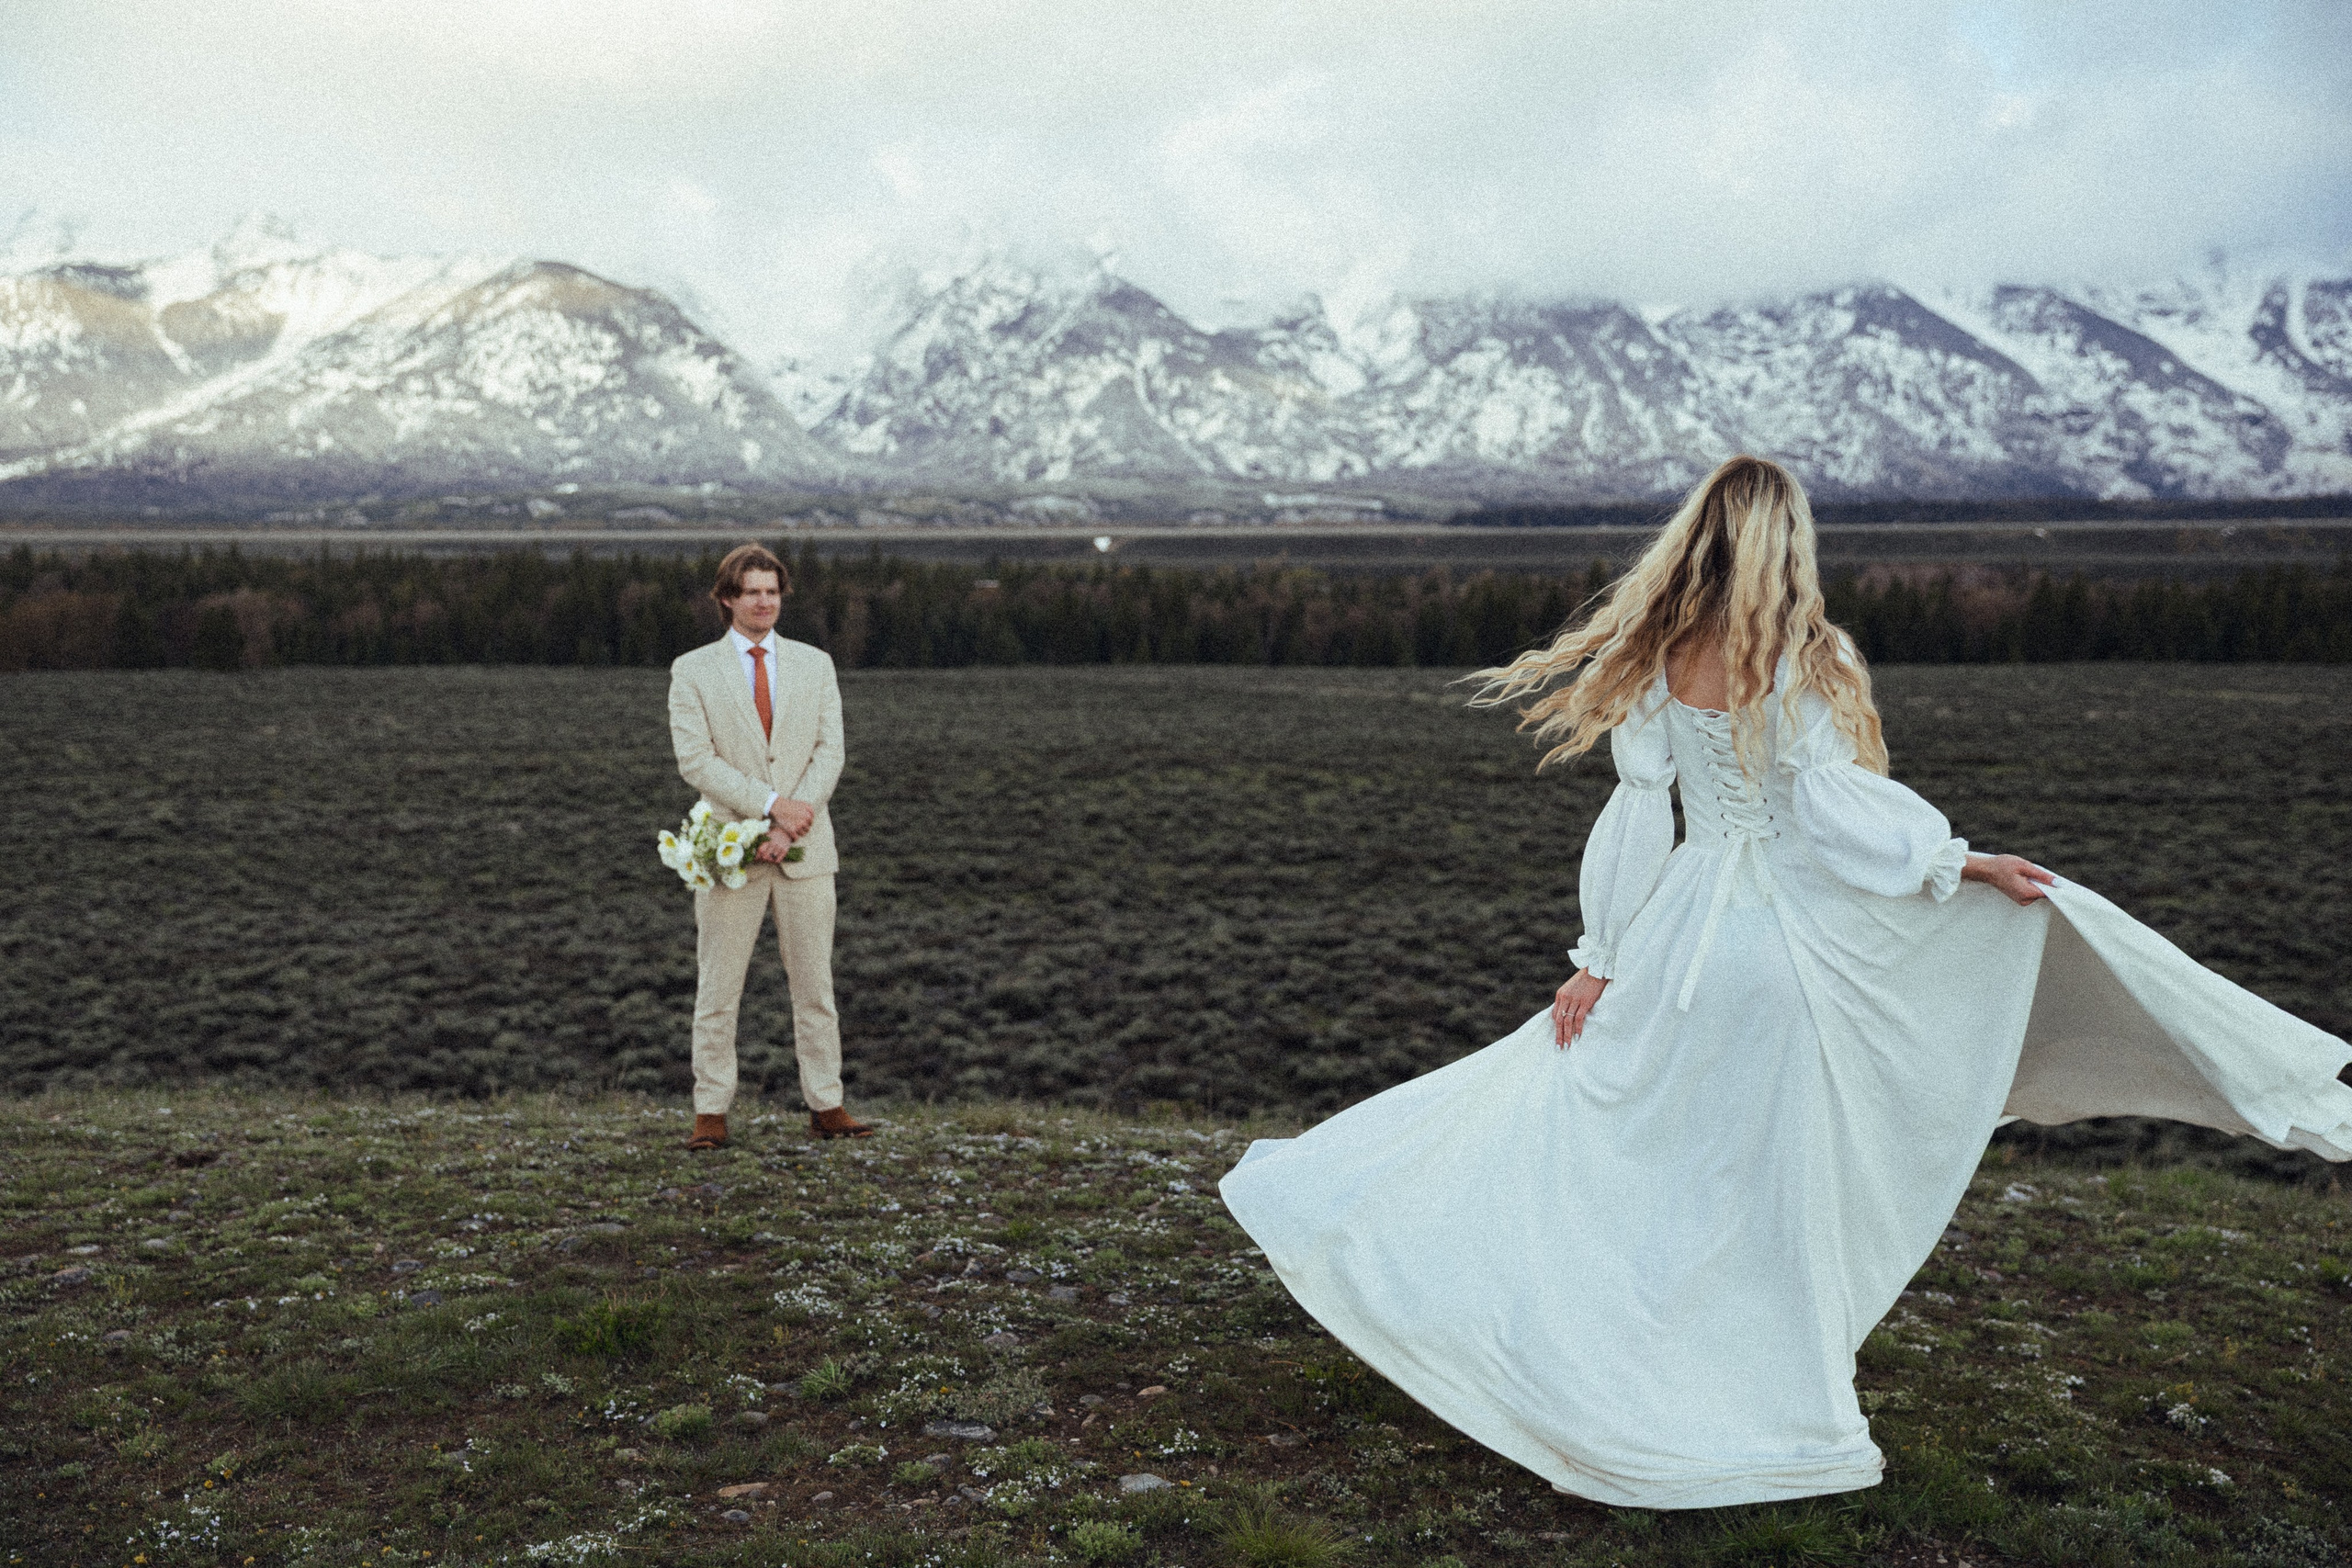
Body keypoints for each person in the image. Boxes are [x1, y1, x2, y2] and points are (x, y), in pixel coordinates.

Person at [1219, 456, 2351, 1509]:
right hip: (1784, 950)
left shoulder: (1660, 657)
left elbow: (1636, 820)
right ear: (1789, 546)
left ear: (1695, 541)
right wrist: (1952, 864)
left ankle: (1574, 1327)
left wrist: (1600, 959)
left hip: (1677, 943)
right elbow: (1833, 814)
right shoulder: (1815, 655)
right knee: (1764, 1176)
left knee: (1621, 1144)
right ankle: (1736, 1370)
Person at [667, 543, 870, 1149]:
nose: (764, 601)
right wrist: (766, 806)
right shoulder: (692, 670)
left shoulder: (816, 665)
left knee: (815, 986)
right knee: (718, 986)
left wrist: (790, 823)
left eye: (772, 591)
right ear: (728, 598)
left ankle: (827, 1104)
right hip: (730, 851)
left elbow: (829, 751)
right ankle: (710, 1113)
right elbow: (695, 759)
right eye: (751, 591)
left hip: (807, 851)